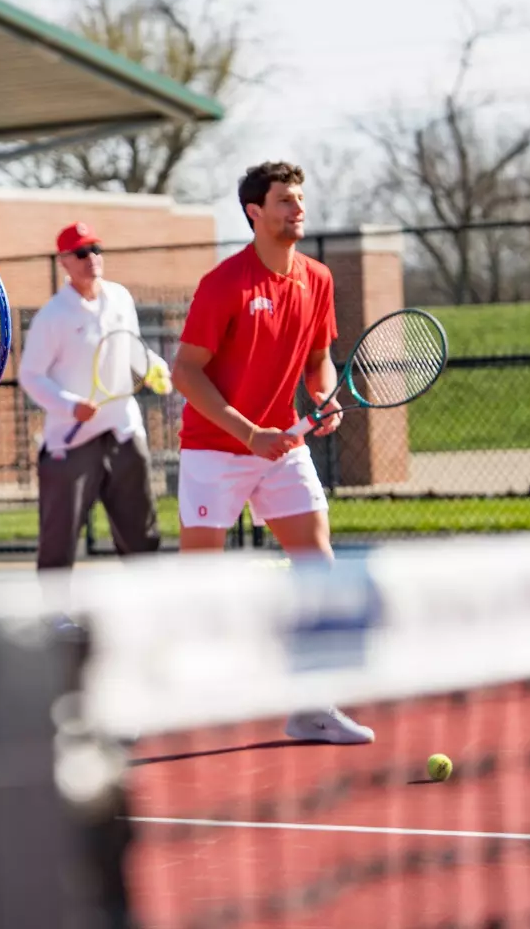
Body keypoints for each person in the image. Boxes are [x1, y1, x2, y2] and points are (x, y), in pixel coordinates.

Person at [169, 160, 374, 746]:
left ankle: (312, 703)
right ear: (255, 213)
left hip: (283, 445)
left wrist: (320, 394)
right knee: (199, 577)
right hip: (214, 446)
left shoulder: (318, 279)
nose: (297, 208)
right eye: (285, 200)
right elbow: (186, 372)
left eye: (300, 198)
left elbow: (317, 359)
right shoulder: (224, 284)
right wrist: (247, 432)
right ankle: (177, 689)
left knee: (318, 564)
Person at [19, 223, 171, 571]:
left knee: (142, 535)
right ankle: (56, 619)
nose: (93, 259)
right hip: (70, 442)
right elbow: (31, 375)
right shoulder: (52, 316)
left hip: (124, 430)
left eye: (97, 250)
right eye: (82, 253)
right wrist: (71, 406)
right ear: (64, 262)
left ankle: (146, 612)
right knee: (59, 540)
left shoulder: (120, 297)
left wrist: (154, 368)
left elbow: (133, 349)